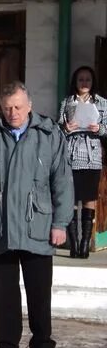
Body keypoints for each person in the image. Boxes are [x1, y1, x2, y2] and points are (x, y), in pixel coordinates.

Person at [0, 81, 73, 348]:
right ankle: (6, 344)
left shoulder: (49, 134)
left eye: (18, 107)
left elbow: (62, 180)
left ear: (29, 106)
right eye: (7, 108)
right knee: (4, 293)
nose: (13, 113)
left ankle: (43, 345)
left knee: (39, 291)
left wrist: (60, 223)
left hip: (37, 223)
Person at [58, 65, 107, 259]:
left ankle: (85, 243)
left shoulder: (102, 102)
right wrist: (67, 128)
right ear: (75, 82)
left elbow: (106, 128)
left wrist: (99, 129)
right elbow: (58, 128)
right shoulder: (67, 102)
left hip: (92, 156)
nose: (84, 83)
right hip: (71, 154)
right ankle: (74, 243)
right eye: (81, 79)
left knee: (89, 198)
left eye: (88, 79)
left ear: (92, 82)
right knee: (71, 198)